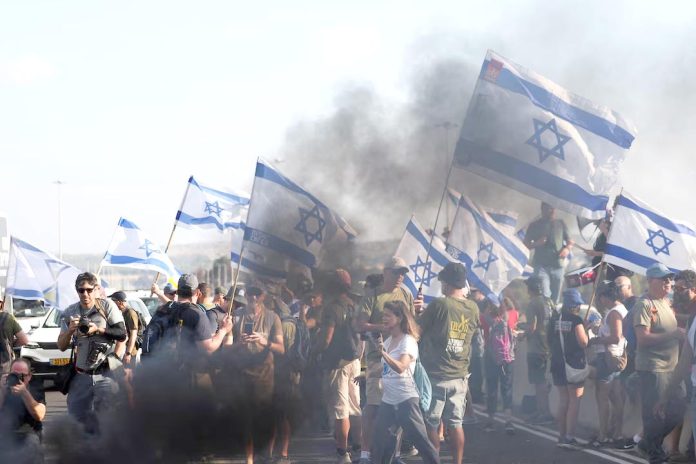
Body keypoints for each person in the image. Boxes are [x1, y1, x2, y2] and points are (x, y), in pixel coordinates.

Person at [357, 256, 422, 464]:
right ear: (385, 273)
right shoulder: (372, 295)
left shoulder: (406, 294)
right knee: (373, 407)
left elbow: (411, 324)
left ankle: (395, 454)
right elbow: (360, 324)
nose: (400, 276)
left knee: (399, 408)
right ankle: (365, 454)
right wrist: (383, 327)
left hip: (401, 359)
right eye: (396, 272)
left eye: (403, 273)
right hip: (377, 359)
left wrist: (418, 312)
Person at [419, 262, 479, 464]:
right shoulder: (473, 307)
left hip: (436, 374)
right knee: (456, 424)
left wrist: (415, 312)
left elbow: (417, 330)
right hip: (460, 375)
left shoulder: (440, 304)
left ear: (446, 283)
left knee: (432, 424)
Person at [56, 272, 127, 433]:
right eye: (81, 290)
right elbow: (61, 345)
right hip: (81, 375)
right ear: (77, 291)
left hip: (106, 374)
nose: (85, 294)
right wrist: (70, 331)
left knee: (109, 421)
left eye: (89, 290)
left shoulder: (106, 306)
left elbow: (122, 334)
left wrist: (99, 330)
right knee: (77, 421)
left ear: (96, 289)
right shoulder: (70, 312)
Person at [372, 300, 440, 464]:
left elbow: (401, 367)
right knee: (381, 440)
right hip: (388, 400)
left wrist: (383, 353)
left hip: (406, 400)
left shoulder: (408, 341)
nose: (384, 319)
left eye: (388, 316)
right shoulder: (388, 341)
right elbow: (387, 368)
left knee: (421, 441)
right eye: (383, 315)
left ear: (400, 318)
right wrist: (367, 374)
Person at [226, 285, 284, 464]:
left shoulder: (273, 317)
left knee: (266, 416)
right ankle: (249, 459)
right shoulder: (236, 316)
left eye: (257, 294)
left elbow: (281, 349)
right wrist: (239, 344)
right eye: (251, 293)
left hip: (265, 375)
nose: (253, 297)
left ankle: (267, 454)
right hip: (243, 373)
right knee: (247, 418)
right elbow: (226, 348)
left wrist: (264, 342)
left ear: (263, 296)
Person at [634, 263, 685, 463]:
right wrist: (672, 335)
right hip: (653, 368)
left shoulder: (666, 302)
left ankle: (648, 443)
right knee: (655, 414)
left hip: (672, 368)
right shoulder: (644, 304)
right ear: (650, 281)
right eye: (663, 279)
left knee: (679, 408)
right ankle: (654, 453)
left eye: (669, 279)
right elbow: (642, 338)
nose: (668, 282)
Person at [317, 269, 363, 464]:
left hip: (337, 364)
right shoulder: (354, 306)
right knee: (355, 407)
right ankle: (359, 449)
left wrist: (315, 350)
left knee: (340, 410)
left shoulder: (332, 308)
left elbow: (326, 339)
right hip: (354, 362)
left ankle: (342, 453)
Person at [659, 270, 696, 462]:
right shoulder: (692, 319)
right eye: (676, 288)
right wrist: (666, 394)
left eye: (681, 289)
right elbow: (684, 361)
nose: (677, 293)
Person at [587, 282, 628, 448]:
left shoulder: (614, 313)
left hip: (608, 357)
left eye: (600, 297)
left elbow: (615, 337)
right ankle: (617, 432)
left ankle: (603, 435)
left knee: (602, 397)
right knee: (616, 397)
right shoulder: (621, 309)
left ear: (605, 297)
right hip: (616, 357)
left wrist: (596, 340)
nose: (599, 300)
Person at [548, 289, 589, 448]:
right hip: (573, 364)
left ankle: (561, 435)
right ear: (575, 305)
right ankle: (570, 437)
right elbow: (583, 342)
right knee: (574, 401)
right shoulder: (576, 320)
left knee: (563, 400)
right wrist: (587, 330)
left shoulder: (554, 319)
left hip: (557, 363)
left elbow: (549, 340)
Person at [524, 202, 574, 303]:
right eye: (549, 208)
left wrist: (567, 249)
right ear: (543, 209)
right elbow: (525, 244)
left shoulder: (560, 224)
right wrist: (537, 243)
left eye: (553, 208)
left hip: (558, 266)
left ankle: (552, 312)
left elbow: (570, 241)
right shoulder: (535, 225)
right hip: (541, 266)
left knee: (555, 298)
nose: (552, 211)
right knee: (545, 294)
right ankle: (545, 309)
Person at [0, 358, 45, 463]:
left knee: (31, 443)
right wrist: (2, 391)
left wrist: (25, 393)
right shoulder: (4, 387)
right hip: (6, 432)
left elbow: (39, 415)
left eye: (22, 376)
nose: (17, 378)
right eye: (14, 374)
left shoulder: (35, 387)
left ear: (29, 376)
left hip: (29, 433)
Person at [523, 276, 555, 424]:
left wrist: (522, 334)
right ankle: (541, 410)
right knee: (542, 381)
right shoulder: (550, 302)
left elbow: (532, 327)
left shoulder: (532, 304)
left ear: (531, 289)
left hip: (536, 348)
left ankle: (544, 413)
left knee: (539, 382)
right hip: (549, 347)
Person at [482, 295, 516, 434]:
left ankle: (490, 420)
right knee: (507, 388)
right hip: (507, 358)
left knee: (491, 388)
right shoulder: (512, 315)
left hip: (490, 356)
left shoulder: (485, 318)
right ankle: (509, 420)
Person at [109, 291, 139, 367]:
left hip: (130, 352)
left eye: (113, 300)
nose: (111, 303)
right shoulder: (120, 312)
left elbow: (133, 335)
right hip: (123, 349)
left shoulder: (130, 313)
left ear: (120, 302)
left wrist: (128, 353)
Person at [0, 301, 29, 373]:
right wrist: (11, 343)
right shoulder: (8, 318)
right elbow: (24, 340)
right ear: (1, 304)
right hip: (5, 362)